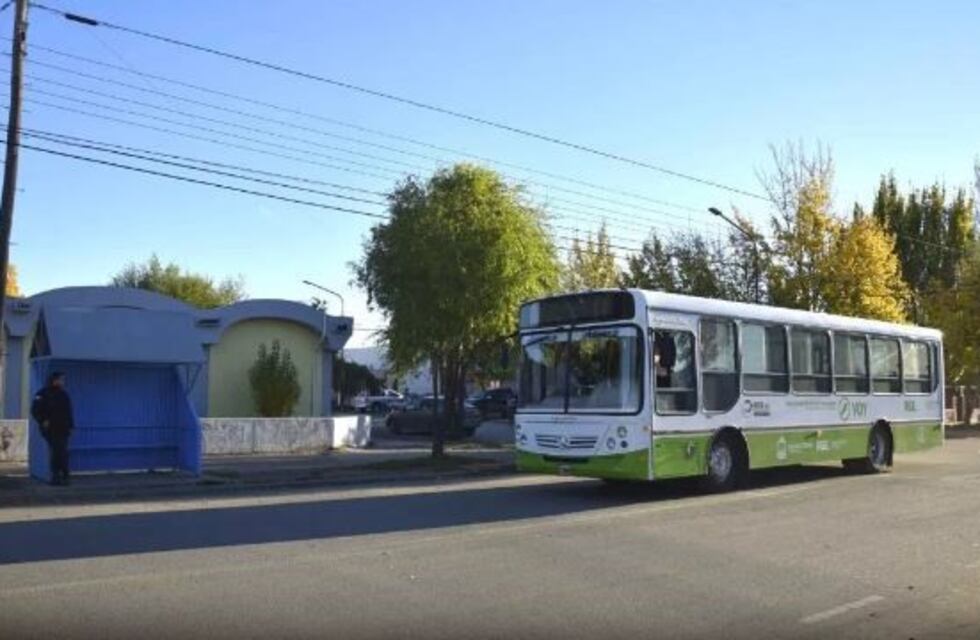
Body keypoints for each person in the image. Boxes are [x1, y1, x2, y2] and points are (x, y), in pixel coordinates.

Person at [31, 371, 74, 486]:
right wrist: (42, 420)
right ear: (54, 380)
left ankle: (63, 476)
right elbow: (35, 410)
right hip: (51, 429)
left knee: (61, 452)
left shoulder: (63, 394)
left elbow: (68, 412)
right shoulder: (43, 393)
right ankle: (57, 476)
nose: (62, 382)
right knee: (57, 452)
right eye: (61, 379)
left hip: (63, 428)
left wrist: (71, 426)